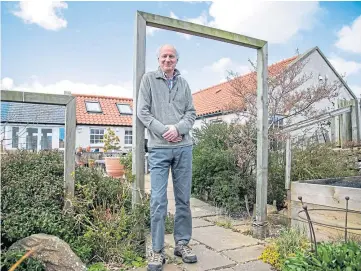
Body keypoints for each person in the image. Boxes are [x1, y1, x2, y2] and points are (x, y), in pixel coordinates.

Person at [137, 44, 197, 271]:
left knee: (183, 200)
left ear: (177, 59)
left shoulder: (184, 84)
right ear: (158, 59)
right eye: (164, 56)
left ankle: (182, 244)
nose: (168, 60)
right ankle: (157, 250)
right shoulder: (148, 80)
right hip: (159, 148)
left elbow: (191, 113)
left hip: (184, 148)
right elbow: (143, 111)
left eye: (172, 56)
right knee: (158, 200)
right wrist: (165, 130)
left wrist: (179, 129)